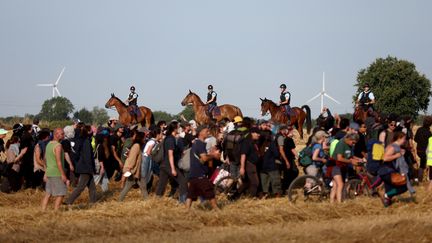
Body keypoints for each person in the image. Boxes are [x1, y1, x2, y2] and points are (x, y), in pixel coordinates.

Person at [186, 125, 221, 210]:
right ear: (200, 132)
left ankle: (186, 211)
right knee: (210, 191)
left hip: (194, 173)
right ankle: (217, 209)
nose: (208, 133)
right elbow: (204, 158)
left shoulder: (196, 143)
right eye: (206, 131)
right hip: (199, 173)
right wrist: (213, 155)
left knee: (191, 194)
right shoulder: (200, 144)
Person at [155, 121, 188, 203]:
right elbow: (170, 155)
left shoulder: (170, 138)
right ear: (174, 129)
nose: (180, 129)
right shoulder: (170, 139)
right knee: (183, 181)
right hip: (168, 165)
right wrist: (173, 169)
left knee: (162, 184)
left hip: (164, 165)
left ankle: (156, 201)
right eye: (178, 127)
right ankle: (183, 202)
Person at [65, 126, 97, 206]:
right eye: (91, 131)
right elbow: (87, 157)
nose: (93, 132)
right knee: (81, 187)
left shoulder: (82, 140)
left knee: (92, 187)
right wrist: (90, 168)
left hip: (84, 167)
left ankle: (93, 203)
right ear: (89, 132)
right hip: (85, 168)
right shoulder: (86, 141)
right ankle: (69, 201)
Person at [41, 128, 69, 211]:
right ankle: (56, 212)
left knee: (48, 194)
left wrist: (46, 172)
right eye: (62, 134)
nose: (63, 135)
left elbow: (45, 159)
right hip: (57, 173)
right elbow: (59, 162)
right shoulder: (58, 146)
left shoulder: (49, 144)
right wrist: (63, 175)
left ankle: (43, 211)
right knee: (61, 193)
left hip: (50, 172)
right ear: (56, 134)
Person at [379, 131, 408, 207]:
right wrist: (398, 155)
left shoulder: (394, 146)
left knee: (390, 194)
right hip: (387, 172)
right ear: (399, 138)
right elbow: (385, 158)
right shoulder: (392, 147)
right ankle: (386, 195)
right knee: (404, 187)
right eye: (404, 139)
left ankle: (386, 207)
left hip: (387, 171)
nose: (405, 141)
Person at [331, 133, 362, 203]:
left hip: (343, 167)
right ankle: (339, 203)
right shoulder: (341, 144)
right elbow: (339, 158)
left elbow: (351, 156)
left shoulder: (349, 145)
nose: (353, 144)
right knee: (340, 184)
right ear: (348, 139)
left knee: (335, 185)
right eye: (353, 142)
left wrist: (360, 159)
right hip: (336, 166)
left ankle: (332, 203)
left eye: (355, 143)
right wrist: (351, 161)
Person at [119, 131, 149, 201]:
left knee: (140, 186)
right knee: (136, 186)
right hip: (132, 171)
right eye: (144, 138)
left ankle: (120, 200)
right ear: (140, 138)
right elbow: (132, 158)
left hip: (135, 171)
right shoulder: (136, 146)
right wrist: (129, 169)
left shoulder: (137, 146)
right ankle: (147, 200)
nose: (145, 139)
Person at [238, 127, 261, 197]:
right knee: (255, 182)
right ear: (252, 133)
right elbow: (243, 154)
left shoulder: (252, 141)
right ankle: (251, 198)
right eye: (257, 133)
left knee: (247, 183)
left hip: (251, 164)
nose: (259, 135)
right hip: (249, 164)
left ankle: (235, 196)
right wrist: (242, 168)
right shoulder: (247, 142)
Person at [414, 116, 432, 182]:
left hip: (418, 150)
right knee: (425, 165)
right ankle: (425, 179)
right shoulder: (429, 133)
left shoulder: (419, 130)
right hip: (425, 152)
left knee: (421, 164)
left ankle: (419, 178)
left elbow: (415, 139)